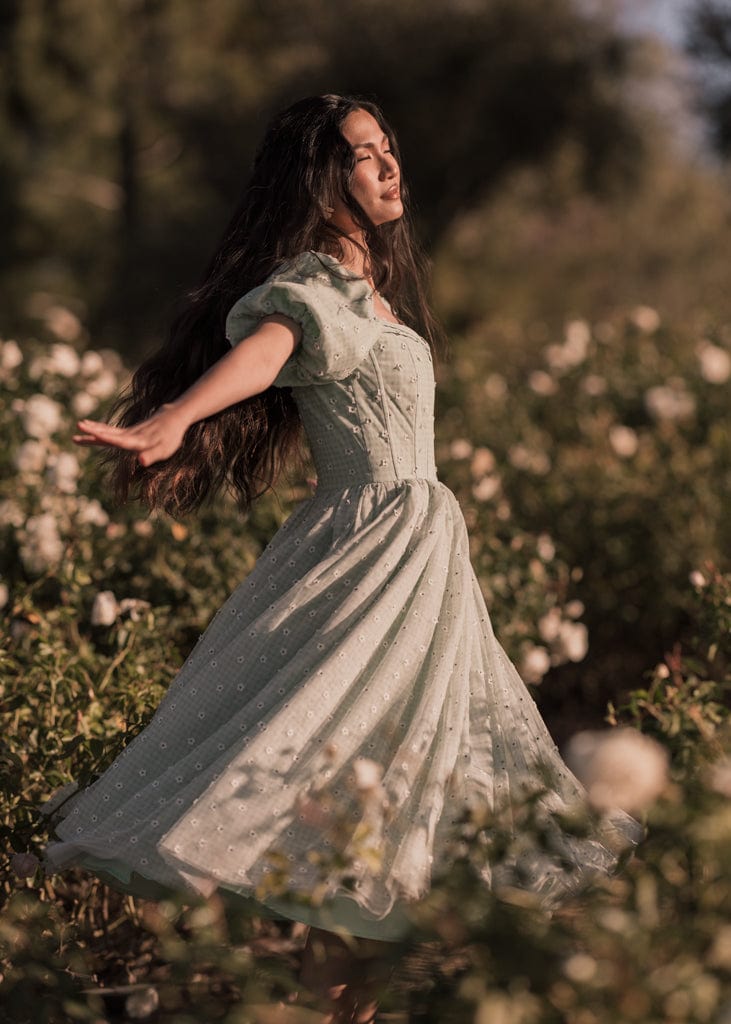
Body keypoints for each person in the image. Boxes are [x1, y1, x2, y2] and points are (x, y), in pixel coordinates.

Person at [41, 94, 643, 1023]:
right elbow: (271, 350)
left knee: (388, 819)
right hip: (374, 558)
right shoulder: (319, 285)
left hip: (418, 559)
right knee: (348, 779)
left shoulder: (373, 296)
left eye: (388, 149)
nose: (388, 166)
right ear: (323, 179)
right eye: (364, 156)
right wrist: (179, 415)